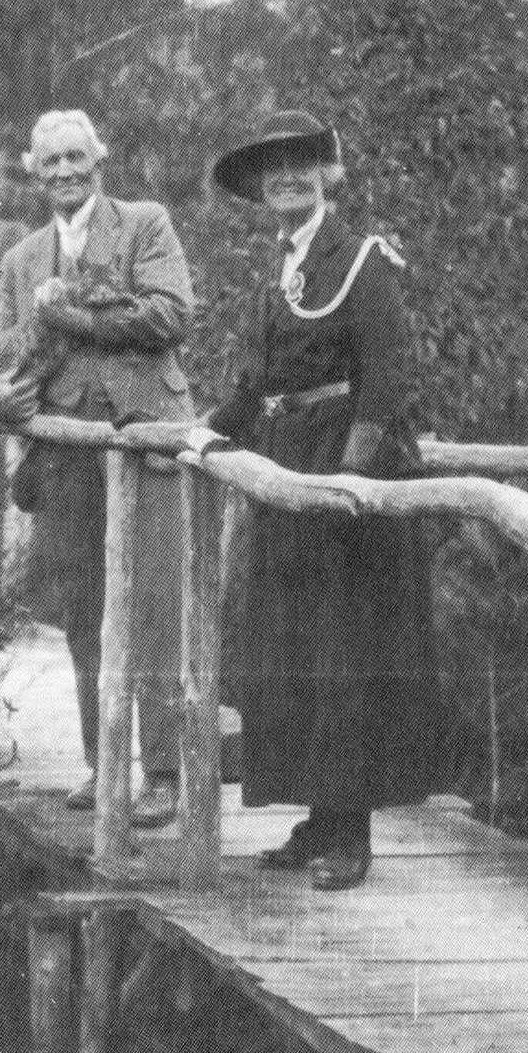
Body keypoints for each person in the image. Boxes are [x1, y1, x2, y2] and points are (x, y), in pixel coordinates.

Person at [196, 108, 442, 891]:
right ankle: (317, 818)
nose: (288, 178)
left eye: (303, 163)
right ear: (261, 188)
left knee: (343, 652)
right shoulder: (280, 266)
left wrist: (349, 483)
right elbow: (255, 385)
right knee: (292, 648)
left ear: (327, 174)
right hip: (285, 466)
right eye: (273, 168)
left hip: (341, 474)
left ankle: (352, 831)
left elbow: (387, 381)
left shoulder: (363, 259)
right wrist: (199, 435)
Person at [0, 109, 195, 827]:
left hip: (148, 440)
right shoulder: (20, 260)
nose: (66, 172)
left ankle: (163, 775)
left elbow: (170, 317)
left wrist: (71, 316)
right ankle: (105, 766)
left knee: (158, 608)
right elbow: (1, 356)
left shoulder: (144, 224)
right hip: (68, 452)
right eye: (52, 163)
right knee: (85, 614)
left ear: (99, 160)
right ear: (35, 173)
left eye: (77, 157)